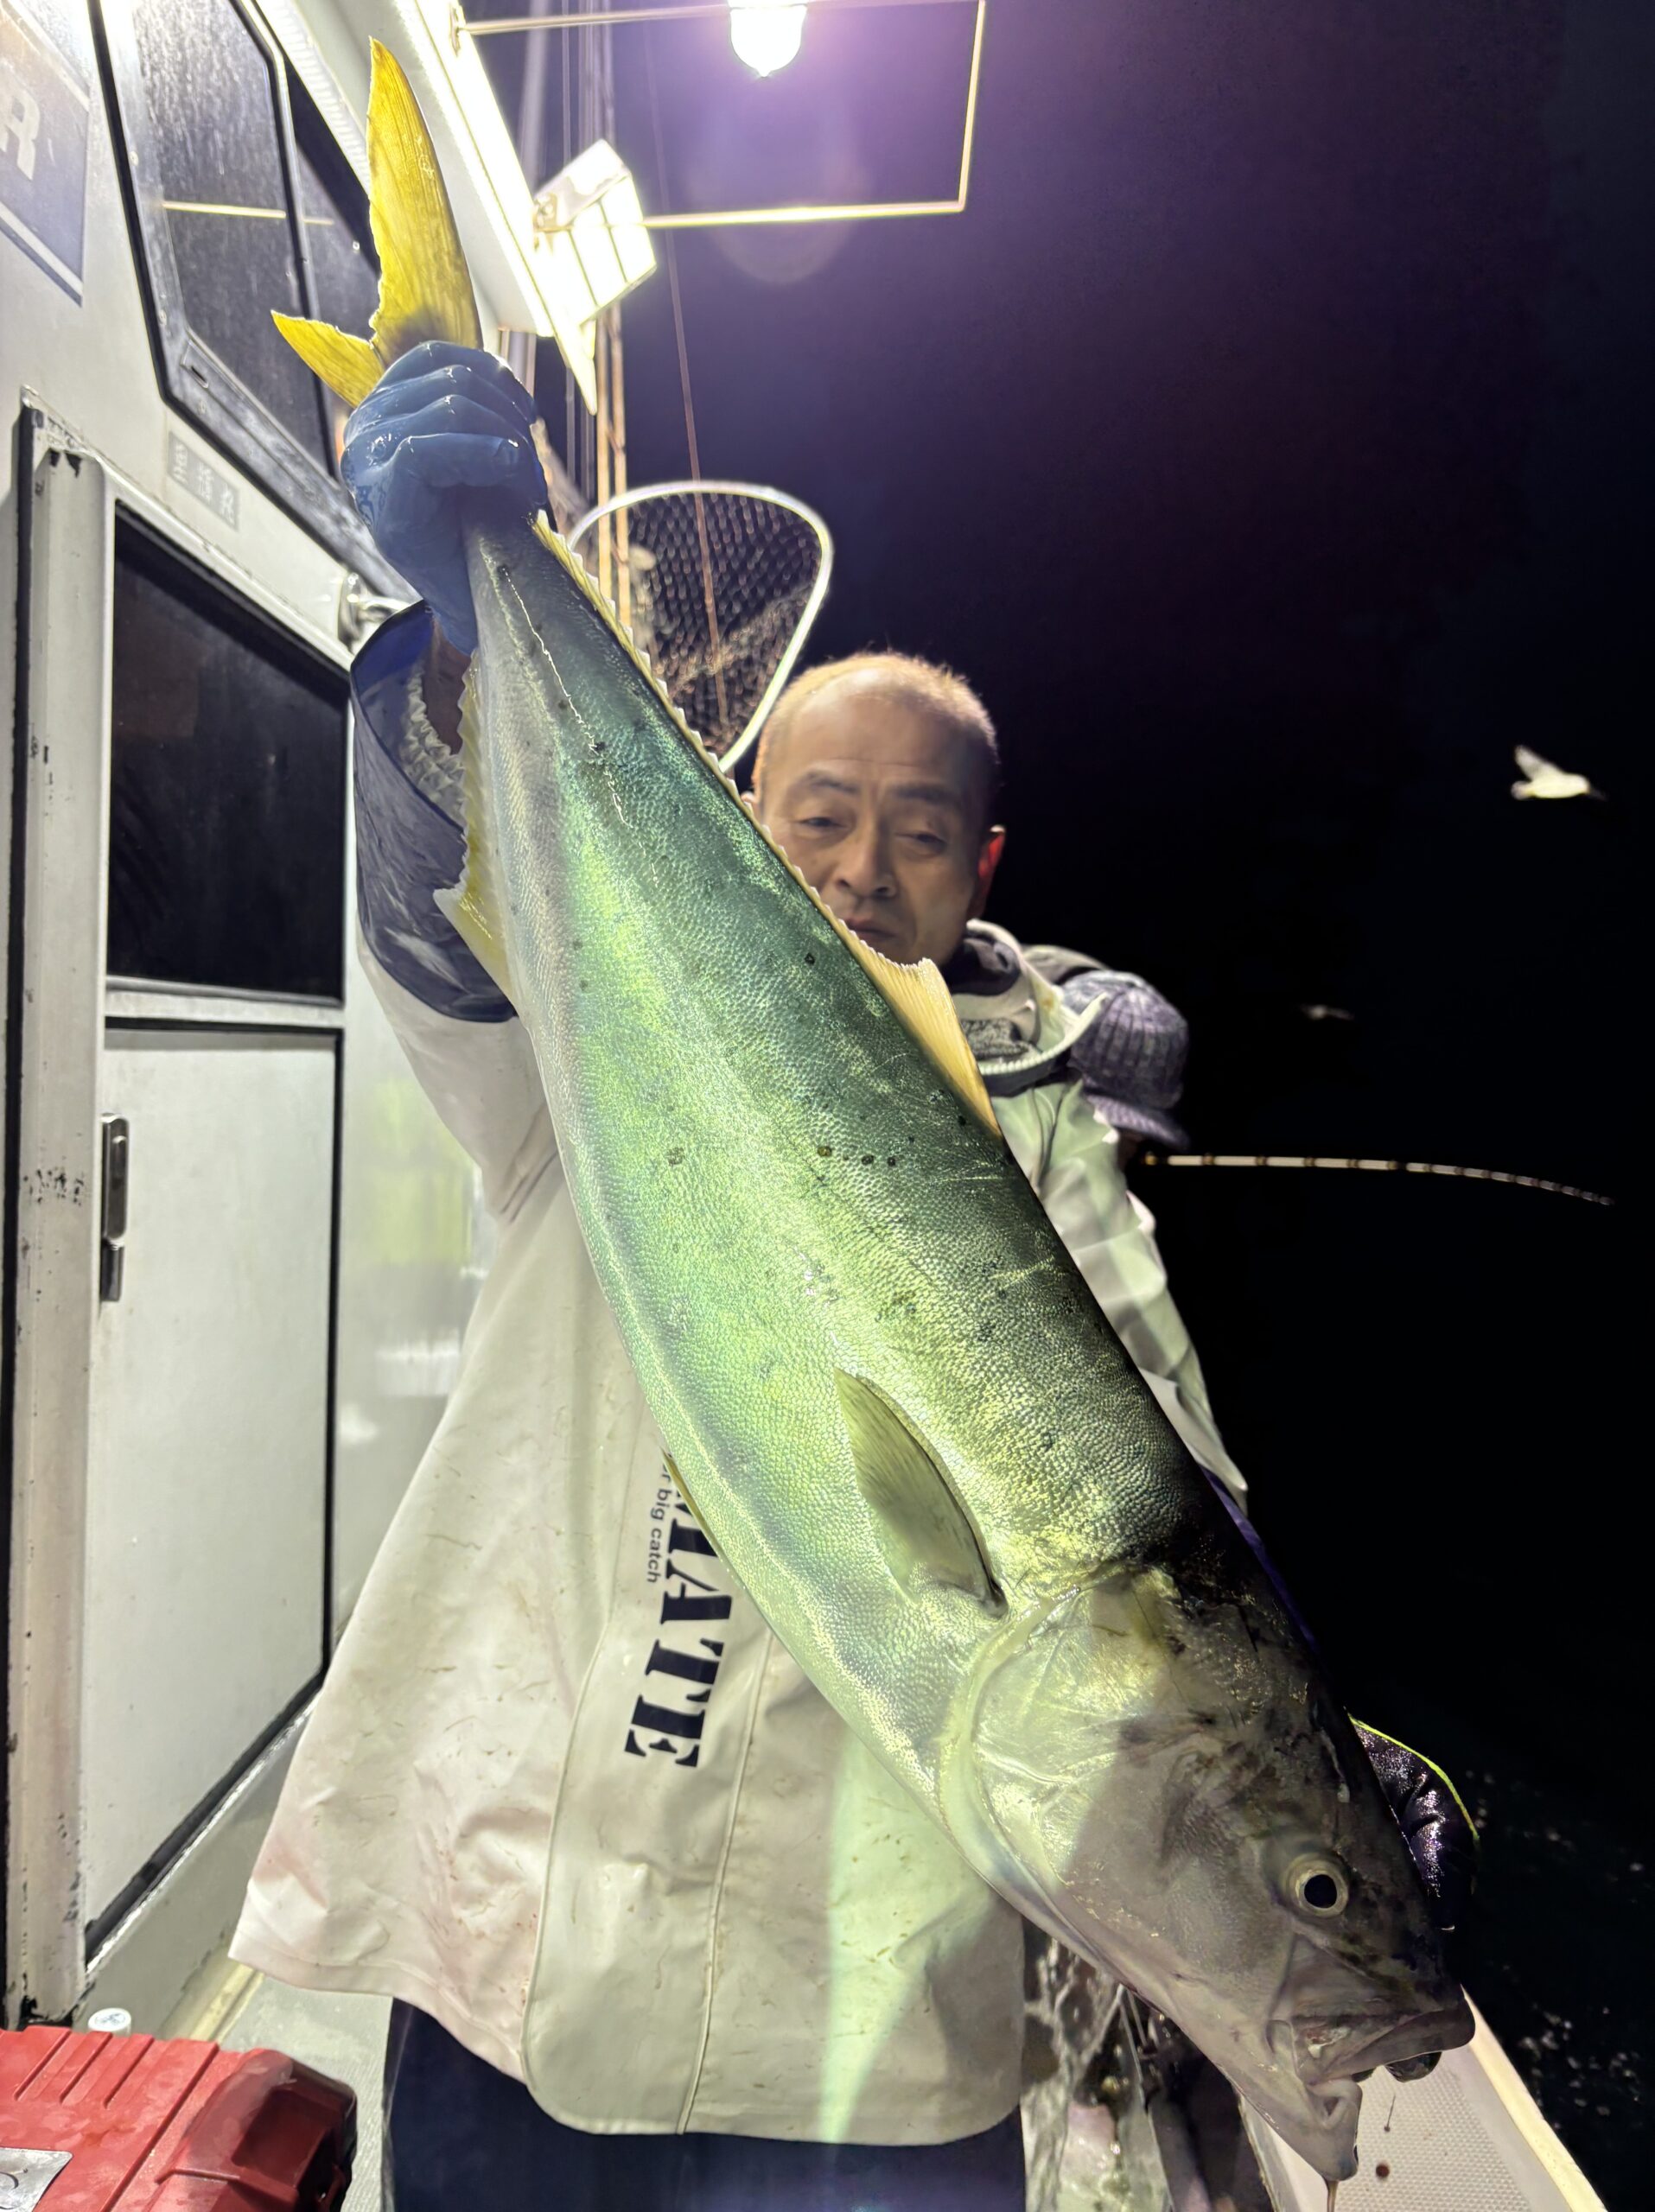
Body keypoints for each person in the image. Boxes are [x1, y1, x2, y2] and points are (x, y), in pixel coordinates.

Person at [230, 345, 1459, 2210]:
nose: (865, 865)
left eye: (917, 829)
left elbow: (1172, 1496)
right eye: (814, 816)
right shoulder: (589, 1053)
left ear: (982, 864)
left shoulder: (1051, 1153)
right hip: (532, 1939)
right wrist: (457, 659)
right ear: (744, 815)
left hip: (875, 2042)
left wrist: (1328, 1802)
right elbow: (441, 945)